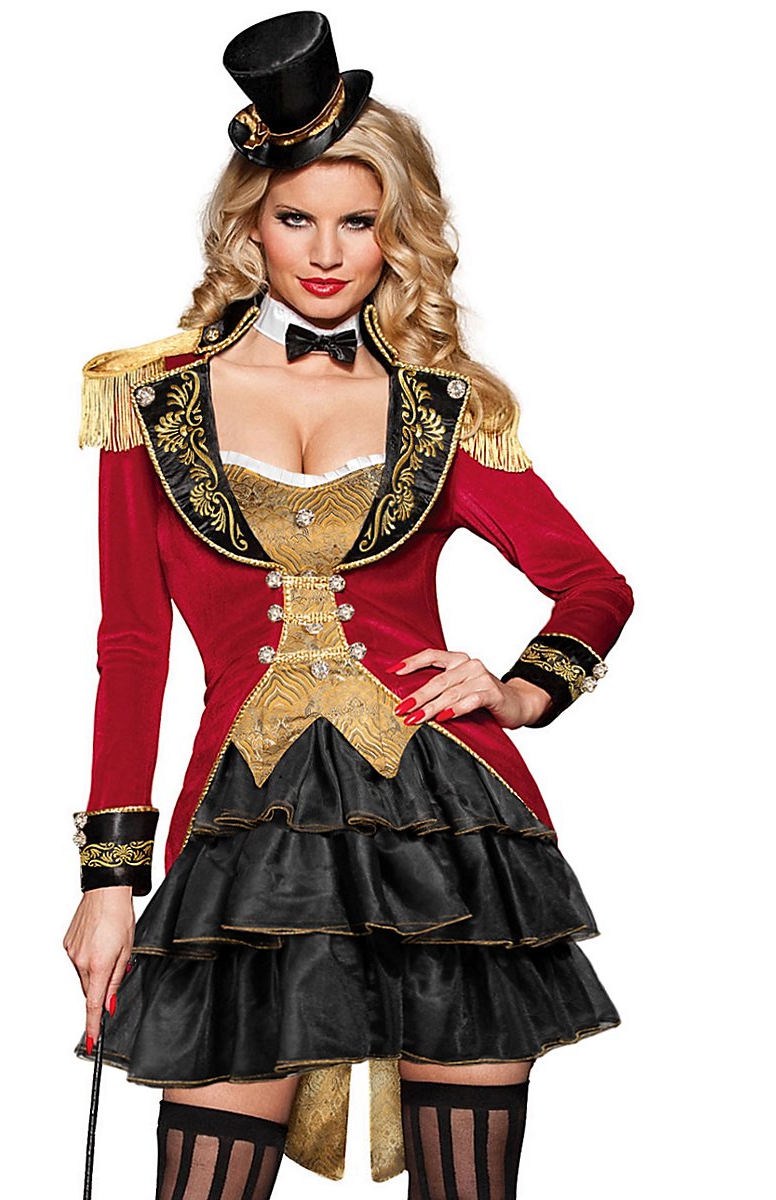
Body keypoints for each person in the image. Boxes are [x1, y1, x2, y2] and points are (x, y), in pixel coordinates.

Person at [62, 11, 634, 1199]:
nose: (326, 253)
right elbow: (132, 648)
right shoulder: (148, 404)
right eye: (296, 219)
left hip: (448, 827)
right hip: (245, 835)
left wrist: (520, 690)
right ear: (248, 225)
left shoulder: (445, 407)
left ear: (395, 234)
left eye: (358, 222)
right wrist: (108, 881)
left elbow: (594, 585)